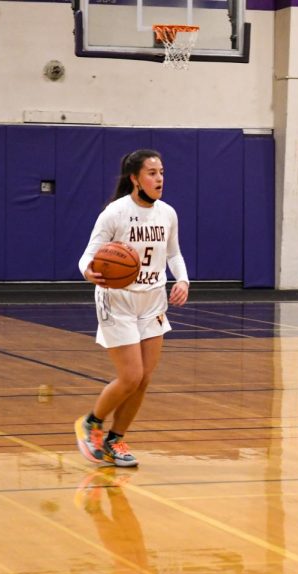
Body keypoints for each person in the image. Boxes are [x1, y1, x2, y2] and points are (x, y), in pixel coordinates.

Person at [74, 149, 189, 468]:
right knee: (131, 376)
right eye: (152, 173)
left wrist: (182, 280)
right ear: (134, 178)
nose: (159, 178)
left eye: (162, 172)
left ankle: (115, 440)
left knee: (144, 379)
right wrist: (88, 271)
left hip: (153, 300)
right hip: (117, 300)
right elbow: (88, 255)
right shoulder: (115, 213)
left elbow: (174, 254)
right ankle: (92, 424)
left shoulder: (167, 213)